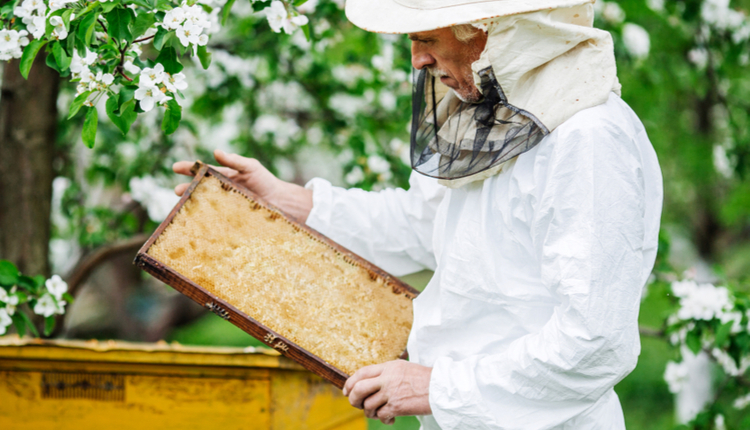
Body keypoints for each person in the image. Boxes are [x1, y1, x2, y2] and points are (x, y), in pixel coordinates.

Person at [174, 0, 663, 428]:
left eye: (426, 38)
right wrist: (289, 201)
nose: (418, 59)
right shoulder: (498, 118)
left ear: (491, 30)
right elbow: (426, 222)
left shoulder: (589, 141)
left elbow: (595, 341)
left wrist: (436, 388)